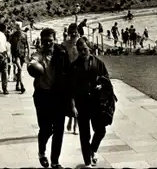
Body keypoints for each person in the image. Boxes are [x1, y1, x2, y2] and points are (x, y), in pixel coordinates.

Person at [28, 27, 73, 169]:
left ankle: (55, 161)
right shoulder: (38, 54)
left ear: (55, 39)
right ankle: (42, 152)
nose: (48, 43)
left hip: (58, 95)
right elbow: (34, 60)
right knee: (46, 129)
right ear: (41, 41)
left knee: (59, 130)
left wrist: (71, 100)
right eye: (45, 41)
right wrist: (32, 65)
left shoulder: (61, 52)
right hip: (43, 96)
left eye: (50, 41)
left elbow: (69, 73)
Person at [70, 37, 116, 168]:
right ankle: (87, 163)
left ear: (89, 47)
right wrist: (72, 105)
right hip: (82, 104)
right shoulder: (74, 66)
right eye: (80, 50)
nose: (83, 52)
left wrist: (101, 86)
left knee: (101, 131)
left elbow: (106, 80)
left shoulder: (99, 63)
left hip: (97, 103)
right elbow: (71, 88)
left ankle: (93, 149)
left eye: (84, 49)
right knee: (84, 135)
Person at [61, 23, 79, 135]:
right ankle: (70, 119)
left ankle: (75, 124)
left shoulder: (81, 44)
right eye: (71, 33)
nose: (73, 35)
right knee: (69, 101)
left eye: (75, 33)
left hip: (78, 75)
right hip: (67, 75)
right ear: (68, 34)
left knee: (78, 101)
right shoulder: (64, 45)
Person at [9, 21, 30, 94]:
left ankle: (17, 85)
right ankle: (22, 86)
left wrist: (28, 54)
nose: (17, 27)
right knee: (20, 69)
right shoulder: (12, 36)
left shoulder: (25, 35)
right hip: (15, 55)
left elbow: (28, 45)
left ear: (21, 26)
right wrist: (12, 57)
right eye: (16, 25)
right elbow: (11, 47)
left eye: (18, 25)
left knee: (19, 70)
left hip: (22, 54)